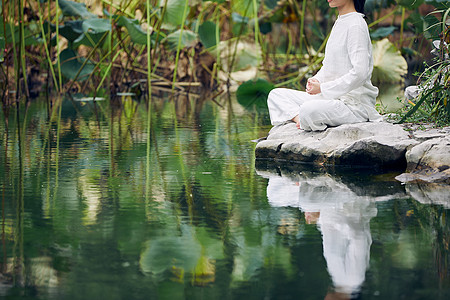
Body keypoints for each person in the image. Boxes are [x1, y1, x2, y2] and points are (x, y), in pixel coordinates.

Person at [267, 0, 382, 131]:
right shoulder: (340, 21)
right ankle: (301, 119)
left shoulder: (356, 24)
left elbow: (360, 73)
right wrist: (317, 80)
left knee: (309, 109)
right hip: (330, 98)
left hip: (353, 106)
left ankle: (305, 118)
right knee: (276, 95)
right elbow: (328, 66)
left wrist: (323, 88)